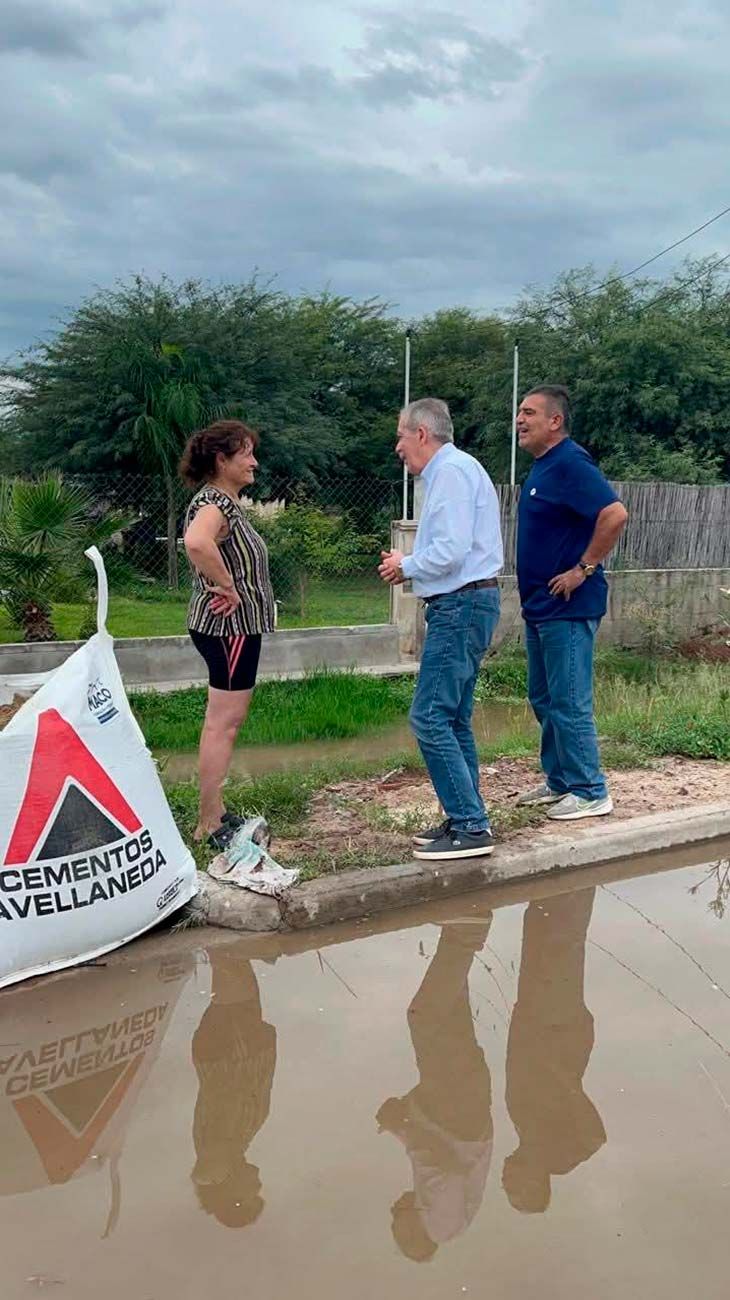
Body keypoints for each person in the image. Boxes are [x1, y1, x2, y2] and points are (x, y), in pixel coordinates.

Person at [379, 398, 503, 861]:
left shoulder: (450, 472)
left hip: (460, 604)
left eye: (401, 435)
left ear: (422, 434)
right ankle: (466, 816)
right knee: (452, 718)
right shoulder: (456, 470)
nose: (398, 447)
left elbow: (450, 551)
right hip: (467, 602)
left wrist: (405, 564)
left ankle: (470, 825)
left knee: (429, 716)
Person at [514, 386, 628, 819]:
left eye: (529, 412)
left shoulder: (570, 463)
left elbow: (615, 514)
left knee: (569, 699)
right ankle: (561, 781)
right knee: (544, 697)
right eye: (519, 412)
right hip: (541, 606)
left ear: (555, 421)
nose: (519, 420)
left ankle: (590, 790)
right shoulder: (544, 466)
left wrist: (584, 568)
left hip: (569, 607)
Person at [180, 420, 275, 848]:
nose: (254, 462)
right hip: (229, 630)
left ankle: (215, 812)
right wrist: (228, 586)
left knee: (224, 723)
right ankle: (208, 822)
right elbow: (196, 542)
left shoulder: (224, 503)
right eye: (246, 454)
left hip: (234, 630)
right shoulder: (215, 502)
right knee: (223, 725)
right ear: (222, 460)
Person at [377, 919, 493, 1261]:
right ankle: (467, 932)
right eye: (397, 1224)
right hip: (456, 1112)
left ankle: (461, 925)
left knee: (450, 1013)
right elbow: (445, 1170)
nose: (394, 1213)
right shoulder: (440, 1227)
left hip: (460, 1108)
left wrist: (405, 1120)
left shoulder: (443, 1221)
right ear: (410, 1235)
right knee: (425, 1017)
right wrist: (401, 1127)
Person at [502, 888, 606, 1213]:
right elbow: (595, 1137)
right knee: (560, 947)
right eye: (513, 1186)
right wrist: (567, 1085)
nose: (505, 1178)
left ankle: (559, 887)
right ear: (534, 1183)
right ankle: (574, 883)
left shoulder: (529, 1137)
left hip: (535, 1024)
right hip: (556, 1027)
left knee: (543, 936)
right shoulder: (559, 1155)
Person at [191, 944, 276, 1229]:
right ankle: (225, 942)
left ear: (233, 1195)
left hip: (231, 1053)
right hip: (238, 1050)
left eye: (253, 1193)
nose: (258, 1185)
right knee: (238, 973)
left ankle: (219, 938)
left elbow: (225, 1095)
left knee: (231, 968)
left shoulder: (217, 1159)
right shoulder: (232, 1151)